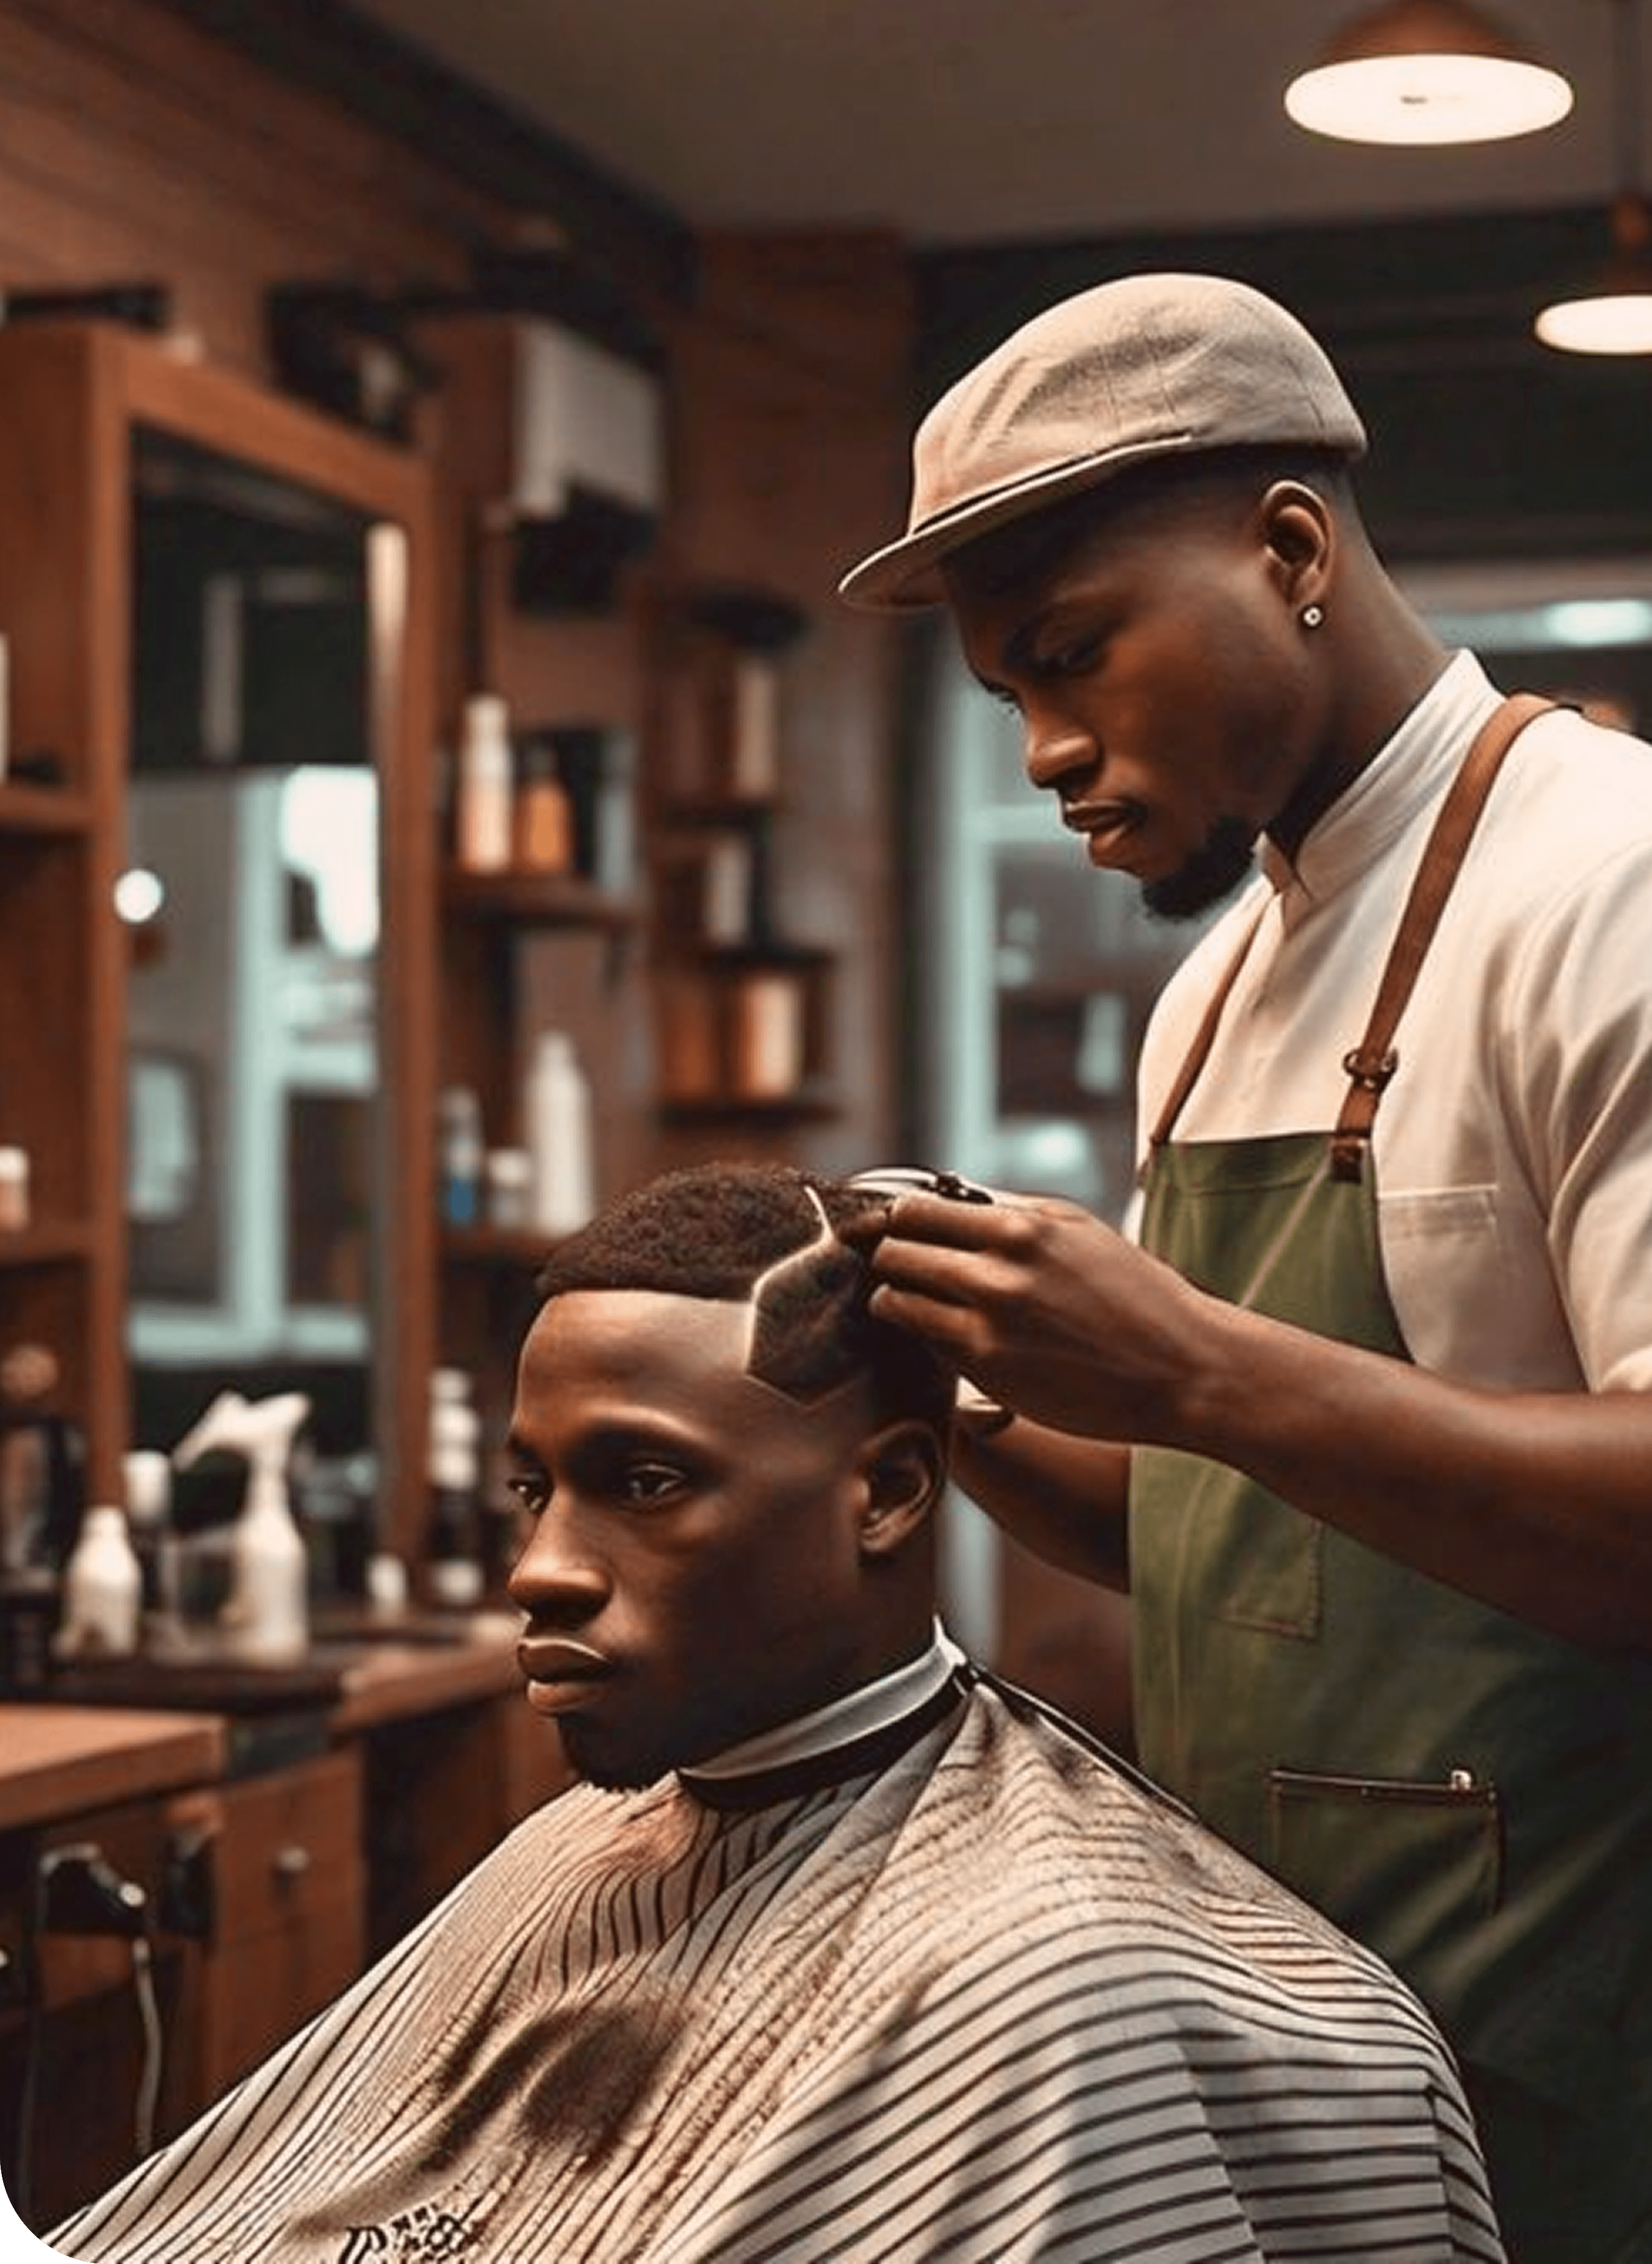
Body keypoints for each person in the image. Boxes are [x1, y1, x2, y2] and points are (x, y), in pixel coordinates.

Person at [836, 270, 1652, 2263]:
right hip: (1278, 2075)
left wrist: (1192, 1364)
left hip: (1567, 2070)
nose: (1046, 750)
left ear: (1289, 550)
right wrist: (958, 1390)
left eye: (1072, 654)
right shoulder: (1208, 999)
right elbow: (1234, 1544)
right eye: (1008, 697)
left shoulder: (1607, 880)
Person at [54, 1162, 1504, 2264]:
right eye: (531, 1488)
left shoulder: (1053, 1975)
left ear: (890, 1491)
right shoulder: (588, 1852)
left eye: (644, 1481)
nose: (538, 1568)